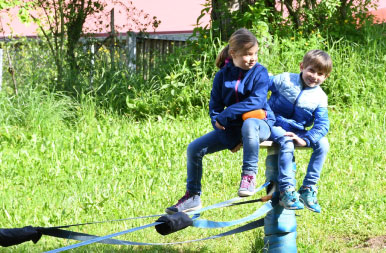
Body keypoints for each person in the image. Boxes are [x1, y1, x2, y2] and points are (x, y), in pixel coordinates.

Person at [165, 28, 275, 214]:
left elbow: (256, 101)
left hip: (259, 124)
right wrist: (225, 133)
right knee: (194, 149)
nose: (252, 58)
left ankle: (248, 176)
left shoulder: (260, 72)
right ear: (233, 53)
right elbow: (215, 110)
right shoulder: (222, 76)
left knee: (249, 125)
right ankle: (192, 196)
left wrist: (228, 114)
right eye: (247, 54)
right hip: (233, 128)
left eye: (255, 53)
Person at [268, 49, 332, 213]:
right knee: (287, 143)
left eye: (320, 74)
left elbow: (323, 125)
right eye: (311, 70)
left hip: (297, 131)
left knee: (323, 144)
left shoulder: (319, 97)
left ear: (326, 77)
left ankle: (308, 188)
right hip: (273, 124)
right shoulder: (285, 79)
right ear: (302, 66)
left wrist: (307, 139)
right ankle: (286, 190)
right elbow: (260, 87)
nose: (314, 76)